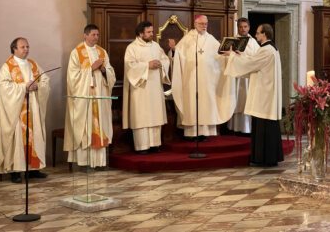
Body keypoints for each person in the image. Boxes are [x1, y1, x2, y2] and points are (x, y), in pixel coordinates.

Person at [223, 24, 284, 167]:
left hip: (263, 95)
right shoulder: (272, 49)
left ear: (264, 34)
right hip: (267, 93)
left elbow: (251, 63)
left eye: (258, 33)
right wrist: (239, 55)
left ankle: (263, 158)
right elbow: (252, 61)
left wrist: (232, 55)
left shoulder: (266, 50)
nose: (255, 36)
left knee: (263, 126)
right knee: (266, 125)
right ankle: (268, 157)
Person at [171, 15, 235, 138]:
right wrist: (174, 50)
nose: (204, 26)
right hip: (191, 80)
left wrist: (228, 56)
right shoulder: (187, 39)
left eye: (206, 24)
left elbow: (220, 56)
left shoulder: (211, 39)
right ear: (195, 24)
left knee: (207, 103)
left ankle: (206, 132)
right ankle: (192, 133)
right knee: (192, 103)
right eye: (201, 24)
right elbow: (178, 57)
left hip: (208, 80)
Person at [0, 37, 50, 183]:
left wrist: (38, 86)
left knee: (34, 135)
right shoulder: (7, 67)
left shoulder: (33, 64)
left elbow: (45, 79)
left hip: (32, 106)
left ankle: (32, 170)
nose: (26, 49)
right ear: (14, 49)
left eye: (27, 46)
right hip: (16, 110)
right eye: (23, 47)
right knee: (17, 138)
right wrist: (24, 87)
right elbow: (5, 88)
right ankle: (15, 171)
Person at [64, 24, 116, 168]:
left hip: (100, 96)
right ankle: (84, 162)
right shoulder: (76, 53)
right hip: (84, 97)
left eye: (97, 35)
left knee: (100, 126)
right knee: (85, 126)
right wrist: (91, 69)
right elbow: (72, 77)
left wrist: (104, 70)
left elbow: (111, 74)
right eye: (93, 35)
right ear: (85, 35)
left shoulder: (102, 52)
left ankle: (99, 162)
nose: (96, 37)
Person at [123, 21, 170, 153]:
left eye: (152, 32)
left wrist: (161, 64)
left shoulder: (156, 46)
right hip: (140, 88)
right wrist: (147, 65)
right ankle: (142, 146)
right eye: (148, 32)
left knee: (155, 115)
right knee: (142, 117)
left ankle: (155, 144)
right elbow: (129, 66)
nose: (151, 34)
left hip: (155, 87)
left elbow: (165, 59)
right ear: (140, 33)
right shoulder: (132, 48)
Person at [227, 17, 260, 134]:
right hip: (236, 78)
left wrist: (242, 56)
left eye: (245, 27)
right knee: (235, 100)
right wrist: (231, 55)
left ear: (249, 27)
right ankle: (234, 129)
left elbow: (257, 59)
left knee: (247, 101)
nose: (243, 29)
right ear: (238, 28)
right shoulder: (233, 41)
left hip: (248, 79)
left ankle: (247, 129)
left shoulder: (253, 42)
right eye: (240, 27)